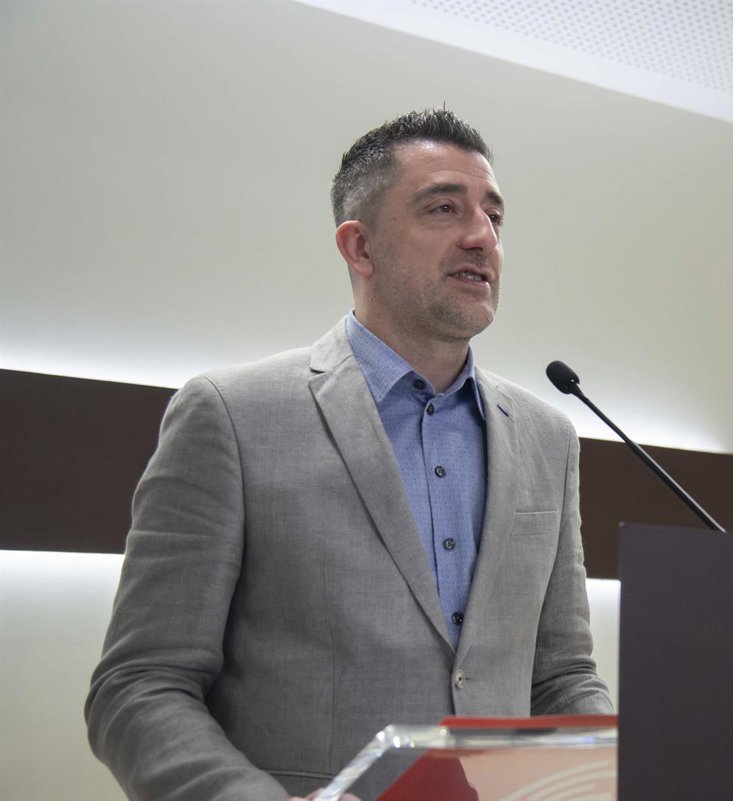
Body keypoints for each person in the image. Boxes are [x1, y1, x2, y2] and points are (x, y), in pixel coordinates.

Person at [85, 109, 612, 801]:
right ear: (360, 247)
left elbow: (561, 676)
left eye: (494, 215)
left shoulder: (550, 437)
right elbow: (139, 685)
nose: (482, 236)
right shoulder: (230, 416)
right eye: (444, 208)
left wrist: (624, 765)